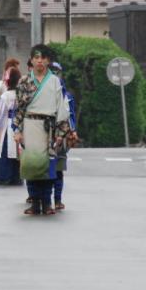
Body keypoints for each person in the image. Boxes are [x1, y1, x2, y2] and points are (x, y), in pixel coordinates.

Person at [12, 45, 72, 217]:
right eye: (36, 57)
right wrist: (17, 130)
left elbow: (62, 108)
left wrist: (61, 133)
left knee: (48, 166)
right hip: (30, 125)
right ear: (31, 60)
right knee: (31, 165)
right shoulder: (24, 81)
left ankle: (47, 202)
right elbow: (18, 109)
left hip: (49, 128)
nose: (39, 60)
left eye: (43, 57)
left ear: (48, 61)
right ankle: (34, 201)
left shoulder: (54, 81)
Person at [50, 62, 80, 212]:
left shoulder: (67, 96)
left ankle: (57, 199)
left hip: (62, 135)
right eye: (53, 71)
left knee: (58, 168)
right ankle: (44, 199)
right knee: (45, 168)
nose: (55, 74)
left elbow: (71, 116)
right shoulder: (41, 91)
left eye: (57, 72)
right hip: (45, 134)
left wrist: (72, 131)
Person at [0, 66, 21, 185]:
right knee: (17, 151)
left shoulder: (5, 95)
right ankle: (17, 176)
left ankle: (4, 176)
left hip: (9, 123)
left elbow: (0, 113)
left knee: (5, 151)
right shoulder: (21, 94)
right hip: (19, 124)